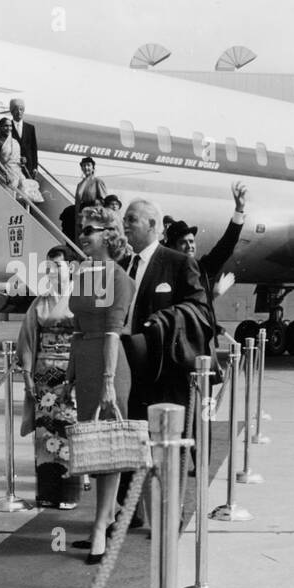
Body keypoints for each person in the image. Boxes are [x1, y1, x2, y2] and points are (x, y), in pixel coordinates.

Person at [120, 198, 210, 525]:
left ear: (153, 226)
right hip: (128, 368)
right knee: (133, 444)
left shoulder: (178, 263)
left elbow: (201, 311)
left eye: (132, 219)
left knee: (163, 452)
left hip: (164, 373)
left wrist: (164, 321)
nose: (125, 224)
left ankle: (169, 516)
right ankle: (133, 513)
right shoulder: (123, 264)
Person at [67, 207, 134, 563]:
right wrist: (69, 377)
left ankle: (98, 529)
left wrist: (108, 381)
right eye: (81, 230)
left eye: (89, 230)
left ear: (109, 235)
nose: (82, 236)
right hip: (87, 365)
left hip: (110, 367)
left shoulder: (118, 277)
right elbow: (78, 329)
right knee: (94, 449)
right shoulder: (84, 273)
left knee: (108, 449)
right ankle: (106, 518)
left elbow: (112, 332)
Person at [17, 247, 81, 510]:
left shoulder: (80, 298)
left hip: (71, 373)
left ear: (72, 268)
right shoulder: (40, 303)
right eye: (48, 267)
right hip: (44, 376)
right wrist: (28, 376)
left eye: (57, 265)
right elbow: (28, 340)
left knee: (67, 431)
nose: (51, 271)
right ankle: (46, 492)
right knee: (45, 432)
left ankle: (67, 493)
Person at [165, 180, 248, 337]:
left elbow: (226, 245)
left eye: (191, 241)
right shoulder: (164, 272)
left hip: (200, 341)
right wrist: (212, 294)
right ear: (172, 247)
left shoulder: (201, 268)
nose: (190, 246)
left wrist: (239, 210)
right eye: (183, 242)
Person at [8, 98, 39, 178]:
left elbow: (34, 149)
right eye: (16, 109)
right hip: (13, 166)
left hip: (28, 166)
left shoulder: (30, 128)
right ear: (11, 111)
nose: (19, 112)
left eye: (21, 109)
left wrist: (35, 167)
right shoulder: (7, 127)